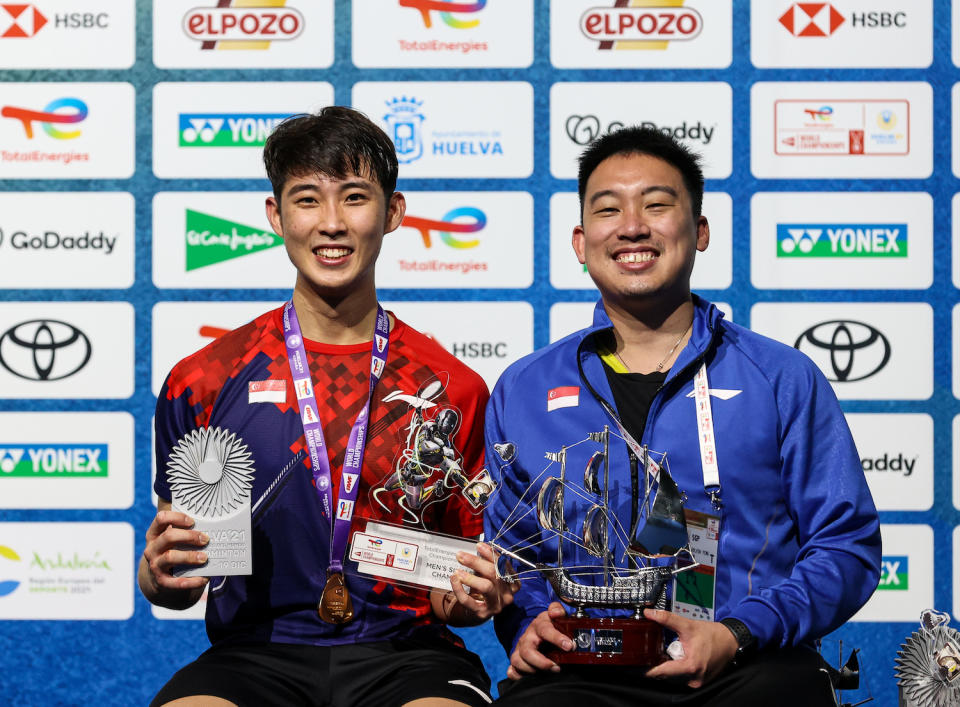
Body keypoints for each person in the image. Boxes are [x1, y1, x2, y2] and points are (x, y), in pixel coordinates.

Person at [483, 126, 881, 706]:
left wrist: (737, 632)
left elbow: (845, 546)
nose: (632, 226)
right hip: (581, 670)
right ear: (580, 240)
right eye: (609, 209)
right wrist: (524, 629)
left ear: (699, 233)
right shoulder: (524, 387)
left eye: (657, 204)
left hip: (746, 663)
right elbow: (509, 555)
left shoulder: (780, 377)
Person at [139, 106, 512, 707]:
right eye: (307, 199)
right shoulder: (204, 380)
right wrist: (161, 574)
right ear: (275, 215)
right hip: (254, 653)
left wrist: (474, 596)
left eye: (355, 198)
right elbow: (181, 581)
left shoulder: (451, 389)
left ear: (393, 213)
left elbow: (453, 593)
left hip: (408, 654)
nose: (332, 223)